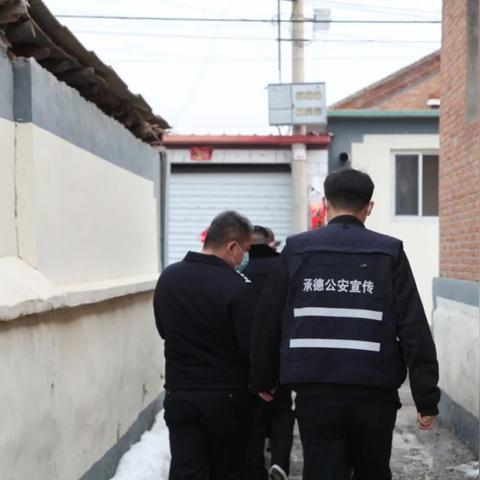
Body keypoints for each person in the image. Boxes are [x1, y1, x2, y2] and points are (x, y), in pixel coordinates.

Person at [250, 169, 440, 480]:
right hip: (374, 392)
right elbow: (412, 327)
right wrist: (426, 396)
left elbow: (268, 318)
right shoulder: (389, 252)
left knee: (322, 471)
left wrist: (263, 377)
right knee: (373, 471)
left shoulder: (297, 249)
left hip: (315, 392)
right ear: (369, 207)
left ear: (326, 203)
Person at [154, 210, 255, 480]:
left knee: (187, 469)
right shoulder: (238, 287)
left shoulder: (169, 278)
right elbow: (248, 347)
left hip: (180, 393)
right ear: (231, 247)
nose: (244, 259)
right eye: (245, 251)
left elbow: (164, 330)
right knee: (228, 470)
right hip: (226, 398)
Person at [243, 226, 294, 480]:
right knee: (282, 410)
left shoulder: (239, 272)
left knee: (253, 415)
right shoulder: (285, 269)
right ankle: (280, 460)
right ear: (271, 243)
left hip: (247, 358)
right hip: (281, 356)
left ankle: (255, 467)